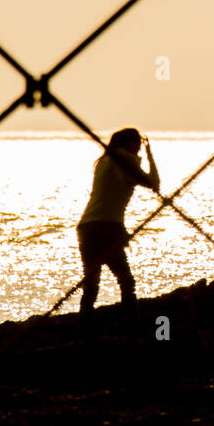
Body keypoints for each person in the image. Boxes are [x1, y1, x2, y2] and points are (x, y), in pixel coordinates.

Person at [76, 128, 160, 339]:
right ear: (129, 143)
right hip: (107, 226)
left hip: (87, 225)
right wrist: (150, 156)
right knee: (126, 281)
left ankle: (84, 333)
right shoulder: (125, 159)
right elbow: (153, 184)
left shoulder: (103, 161)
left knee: (91, 284)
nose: (139, 147)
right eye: (138, 143)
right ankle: (133, 332)